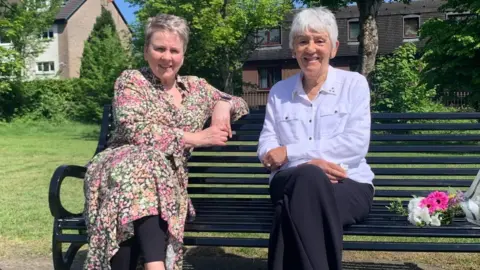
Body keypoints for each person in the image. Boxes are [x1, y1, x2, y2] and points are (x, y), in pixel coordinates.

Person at [83, 14, 249, 270]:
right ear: (146, 50)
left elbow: (241, 102)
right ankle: (156, 265)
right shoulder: (132, 81)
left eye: (174, 50)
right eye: (159, 48)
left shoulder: (197, 88)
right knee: (142, 163)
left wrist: (223, 105)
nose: (167, 57)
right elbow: (135, 129)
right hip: (117, 169)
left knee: (143, 180)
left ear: (183, 54)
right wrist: (195, 138)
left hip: (167, 180)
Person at [257, 7, 375, 270]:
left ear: (333, 48)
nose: (311, 48)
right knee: (308, 179)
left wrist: (294, 154)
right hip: (288, 181)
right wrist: (310, 166)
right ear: (293, 49)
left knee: (290, 208)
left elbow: (355, 144)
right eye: (302, 41)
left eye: (319, 40)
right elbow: (266, 142)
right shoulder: (279, 91)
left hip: (348, 184)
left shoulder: (354, 84)